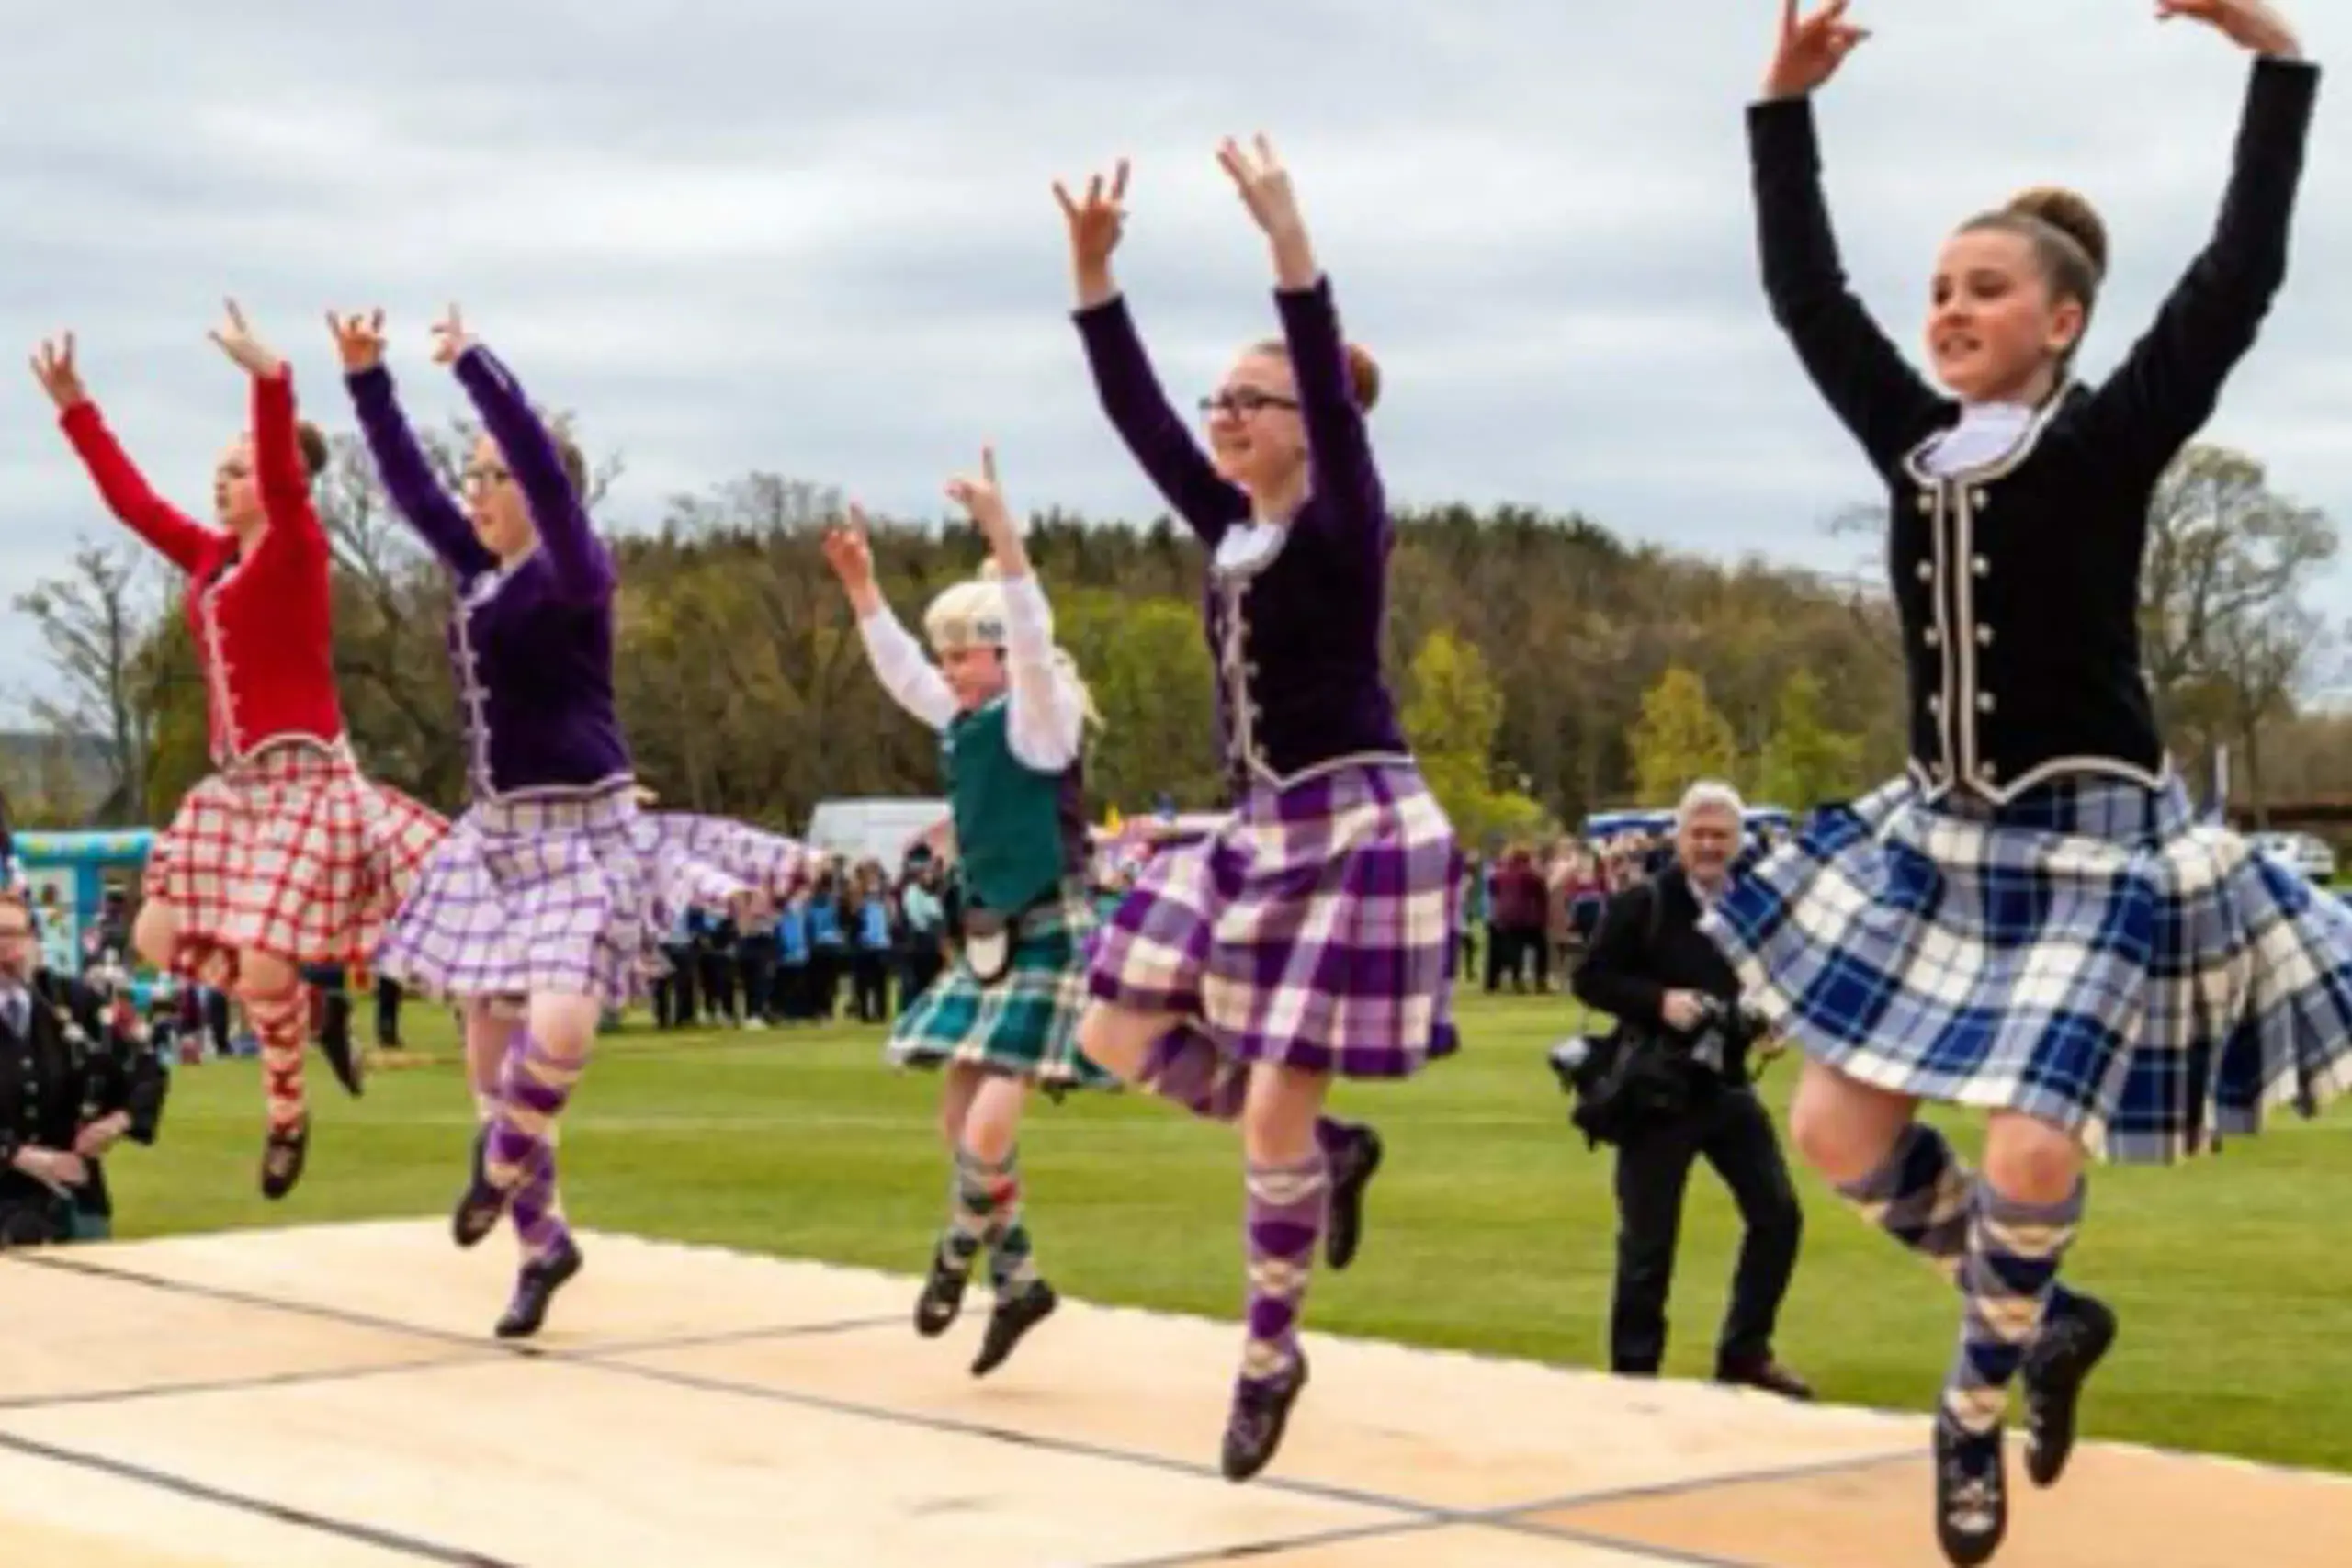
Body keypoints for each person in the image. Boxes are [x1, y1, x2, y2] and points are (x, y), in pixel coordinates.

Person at [1715, 6, 2345, 1563]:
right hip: (1943, 842)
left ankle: (1972, 1412)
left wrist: (2276, 66)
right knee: (1835, 1130)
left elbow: (2237, 284)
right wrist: (1781, 112)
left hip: (2087, 847)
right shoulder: (1911, 443)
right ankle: (2049, 1319)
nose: (1947, 309)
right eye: (1939, 290)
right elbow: (1806, 296)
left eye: (1984, 289)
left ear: (2058, 323)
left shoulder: (2109, 440)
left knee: (2032, 1150)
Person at [1057, 140, 1462, 1482]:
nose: (1225, 414)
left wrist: (1288, 236)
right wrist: (1095, 275)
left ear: (1314, 417)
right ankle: (1329, 1152)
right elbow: (1135, 417)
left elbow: (1322, 382)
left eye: (1253, 396)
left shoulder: (1342, 516)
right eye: (1219, 397)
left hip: (1354, 826)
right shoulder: (1223, 527)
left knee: (1274, 1107)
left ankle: (1269, 1353)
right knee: (1113, 1032)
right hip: (1253, 828)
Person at [333, 305, 808, 1337]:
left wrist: (474, 372)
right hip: (496, 836)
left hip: (583, 828)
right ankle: (542, 1244)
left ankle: (497, 1166)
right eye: (476, 477)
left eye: (490, 475)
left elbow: (545, 477)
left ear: (538, 484)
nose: (474, 491)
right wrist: (368, 383)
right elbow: (410, 491)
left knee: (561, 1026)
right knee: (485, 1052)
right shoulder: (477, 574)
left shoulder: (576, 570)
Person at [30, 306, 446, 1201]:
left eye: (236, 471)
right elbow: (133, 504)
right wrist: (77, 411)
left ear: (278, 478)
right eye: (216, 472)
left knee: (260, 958)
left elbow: (285, 475)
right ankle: (311, 1006)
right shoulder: (211, 559)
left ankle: (288, 1116)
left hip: (305, 782)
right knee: (154, 934)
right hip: (238, 790)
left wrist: (270, 378)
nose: (219, 485)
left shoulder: (296, 546)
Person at [823, 449, 1115, 1377]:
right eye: (945, 654)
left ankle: (954, 1254)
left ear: (1000, 655)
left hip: (1051, 924)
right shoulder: (960, 719)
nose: (948, 669)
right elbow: (900, 673)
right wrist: (865, 594)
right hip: (990, 936)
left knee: (989, 1122)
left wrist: (1003, 536)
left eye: (964, 654)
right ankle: (1019, 1276)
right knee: (957, 1120)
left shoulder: (1043, 717)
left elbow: (1031, 640)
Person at [1568, 781, 1809, 1399]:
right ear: (1677, 837)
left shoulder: (1753, 906)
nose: (1708, 844)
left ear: (1738, 840)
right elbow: (1589, 978)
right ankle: (1634, 1375)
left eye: (1720, 834)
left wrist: (1769, 1022)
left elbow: (1771, 977)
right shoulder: (1644, 902)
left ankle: (1744, 1352)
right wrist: (1659, 1001)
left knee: (1778, 1215)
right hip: (1657, 1090)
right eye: (1698, 833)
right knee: (1649, 1241)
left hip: (1725, 1084)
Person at [0, 890, 165, 1247]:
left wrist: (118, 1121)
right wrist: (20, 1156)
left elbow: (146, 1065)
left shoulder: (74, 1000)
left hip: (76, 1201)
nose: (7, 947)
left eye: (16, 933)